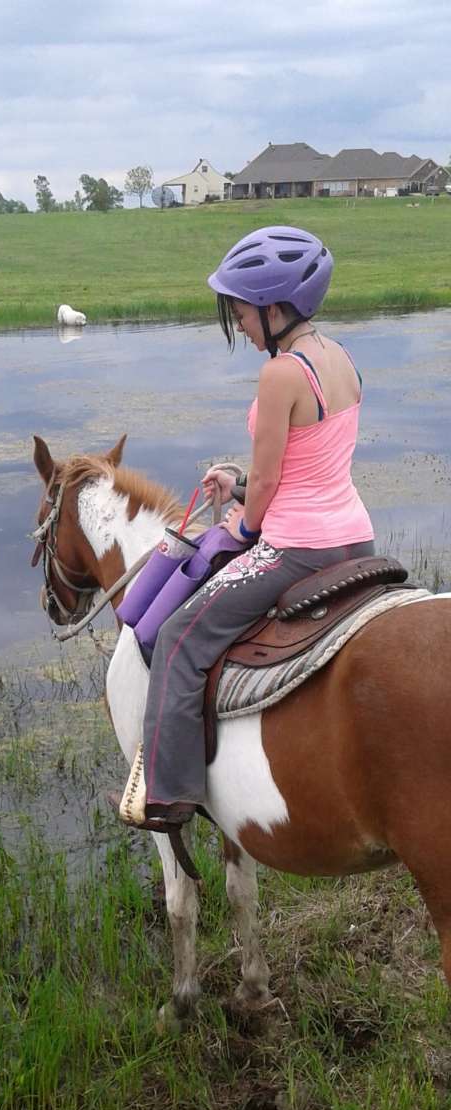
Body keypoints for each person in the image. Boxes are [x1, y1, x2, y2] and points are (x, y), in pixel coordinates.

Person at [117, 225, 375, 832]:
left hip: (298, 548)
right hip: (355, 537)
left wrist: (244, 519)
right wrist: (238, 483)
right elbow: (308, 462)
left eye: (241, 308)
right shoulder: (341, 358)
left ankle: (169, 793)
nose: (238, 321)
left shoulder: (281, 373)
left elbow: (267, 488)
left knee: (179, 640)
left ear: (275, 306)